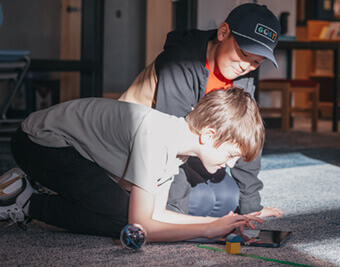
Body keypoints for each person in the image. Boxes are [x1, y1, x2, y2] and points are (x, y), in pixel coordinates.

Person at [0, 88, 282, 241]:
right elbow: (141, 223)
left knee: (127, 212)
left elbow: (157, 213)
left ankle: (34, 190)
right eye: (232, 154)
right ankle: (26, 201)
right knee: (124, 220)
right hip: (37, 144)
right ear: (209, 136)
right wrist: (207, 230)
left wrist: (218, 223)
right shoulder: (158, 140)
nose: (230, 164)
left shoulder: (177, 147)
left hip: (63, 149)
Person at [119, 3, 282, 219]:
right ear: (223, 32)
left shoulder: (243, 74)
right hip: (135, 150)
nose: (246, 66)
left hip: (190, 148)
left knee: (228, 197)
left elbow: (244, 135)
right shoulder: (180, 62)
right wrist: (172, 215)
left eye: (256, 62)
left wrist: (251, 207)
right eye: (243, 53)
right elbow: (168, 140)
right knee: (201, 200)